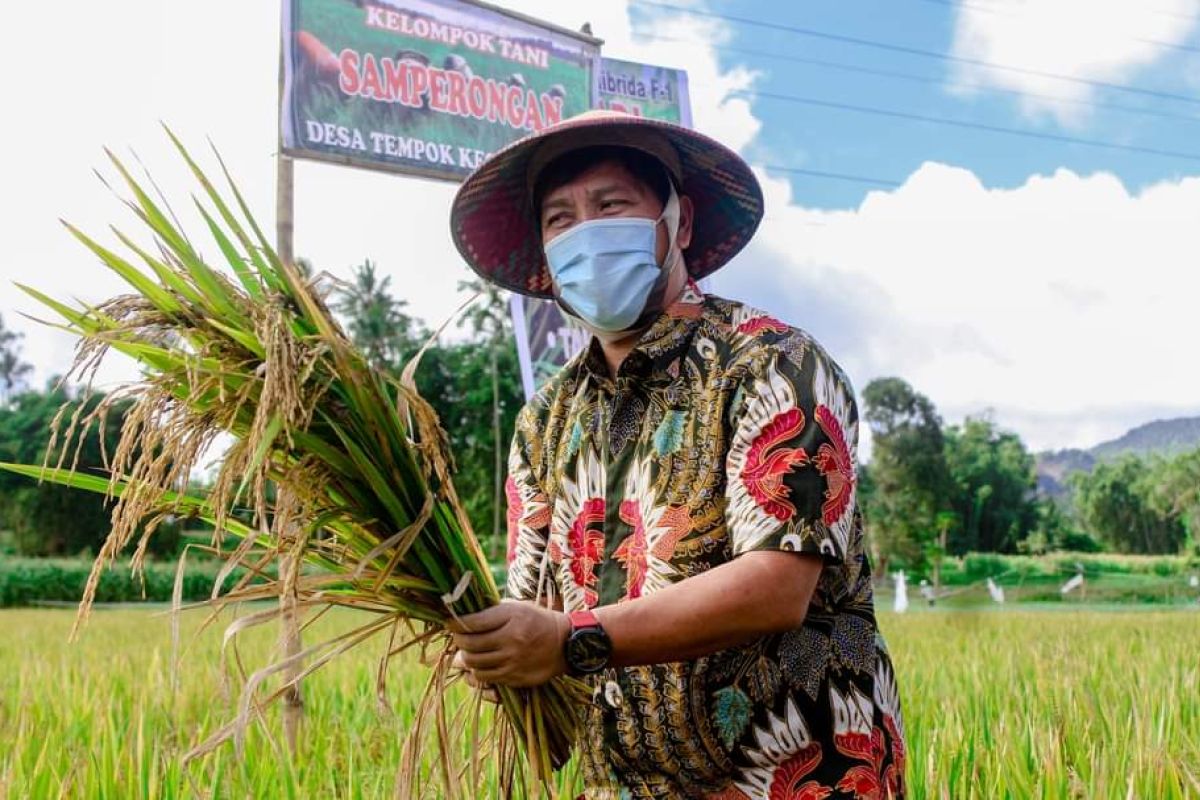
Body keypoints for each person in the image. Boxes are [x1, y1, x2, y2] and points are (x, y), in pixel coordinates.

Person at [447, 110, 906, 800]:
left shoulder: (771, 365)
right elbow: (535, 603)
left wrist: (572, 640)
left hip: (795, 782)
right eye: (559, 219)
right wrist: (502, 650)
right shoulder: (544, 420)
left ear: (678, 223)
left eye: (610, 206)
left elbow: (777, 584)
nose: (584, 232)